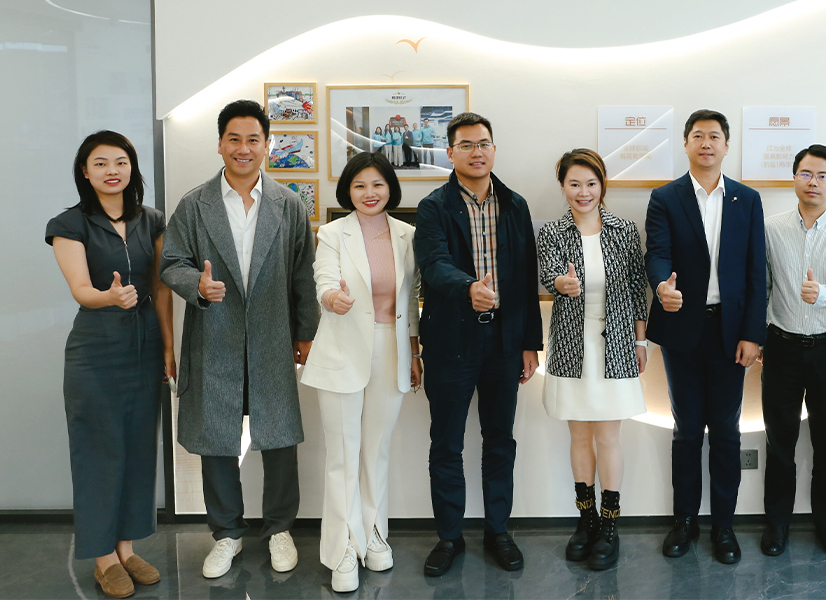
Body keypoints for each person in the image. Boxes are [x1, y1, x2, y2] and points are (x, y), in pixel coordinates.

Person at [159, 99, 319, 580]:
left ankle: (279, 529)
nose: (243, 148)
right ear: (220, 144)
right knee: (217, 439)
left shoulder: (289, 204)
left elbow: (303, 274)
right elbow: (172, 262)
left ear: (267, 145)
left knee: (279, 436)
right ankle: (226, 533)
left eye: (253, 139)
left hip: (273, 335)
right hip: (215, 335)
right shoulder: (195, 204)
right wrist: (197, 286)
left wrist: (306, 333)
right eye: (234, 139)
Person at [414, 112, 543, 577]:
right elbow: (433, 263)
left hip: (504, 341)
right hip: (451, 341)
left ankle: (498, 531)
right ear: (450, 153)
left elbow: (526, 277)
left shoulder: (515, 204)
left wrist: (530, 343)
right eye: (466, 145)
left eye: (484, 143)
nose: (477, 152)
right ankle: (449, 537)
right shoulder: (433, 207)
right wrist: (468, 286)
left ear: (494, 149)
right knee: (446, 443)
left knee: (500, 440)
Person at [46, 131, 173, 599]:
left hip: (145, 345)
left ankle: (126, 548)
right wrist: (111, 297)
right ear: (85, 172)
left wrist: (168, 345)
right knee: (99, 452)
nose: (111, 171)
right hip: (96, 349)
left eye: (120, 161)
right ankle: (103, 558)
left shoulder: (152, 219)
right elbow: (81, 289)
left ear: (132, 168)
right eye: (99, 163)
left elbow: (160, 287)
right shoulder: (68, 223)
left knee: (139, 448)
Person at [644, 109, 767, 565]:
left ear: (726, 145)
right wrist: (662, 285)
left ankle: (724, 526)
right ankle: (684, 522)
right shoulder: (665, 197)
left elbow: (757, 271)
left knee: (727, 433)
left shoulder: (746, 199)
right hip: (682, 328)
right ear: (686, 143)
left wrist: (753, 334)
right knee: (687, 431)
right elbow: (657, 253)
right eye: (698, 135)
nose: (706, 143)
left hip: (730, 332)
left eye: (715, 136)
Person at [300, 152, 421, 592]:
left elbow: (411, 299)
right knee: (343, 455)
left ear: (390, 188)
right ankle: (342, 549)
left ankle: (373, 534)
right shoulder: (332, 233)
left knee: (377, 451)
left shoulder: (408, 234)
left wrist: (413, 350)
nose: (369, 193)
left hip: (391, 348)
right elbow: (323, 280)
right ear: (347, 191)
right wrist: (332, 298)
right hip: (342, 350)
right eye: (359, 186)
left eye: (377, 185)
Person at [537, 149, 648, 571]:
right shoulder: (552, 231)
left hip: (616, 343)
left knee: (609, 438)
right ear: (562, 186)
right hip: (570, 344)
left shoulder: (624, 230)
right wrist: (560, 283)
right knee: (579, 436)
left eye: (591, 183)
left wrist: (640, 342)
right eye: (574, 184)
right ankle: (585, 521)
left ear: (602, 186)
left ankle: (610, 525)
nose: (583, 192)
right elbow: (548, 275)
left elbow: (637, 288)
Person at [761, 144, 826, 559]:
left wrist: (820, 294)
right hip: (782, 349)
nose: (814, 182)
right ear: (794, 178)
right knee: (779, 443)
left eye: (823, 176)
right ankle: (777, 524)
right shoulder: (771, 228)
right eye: (806, 173)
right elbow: (761, 285)